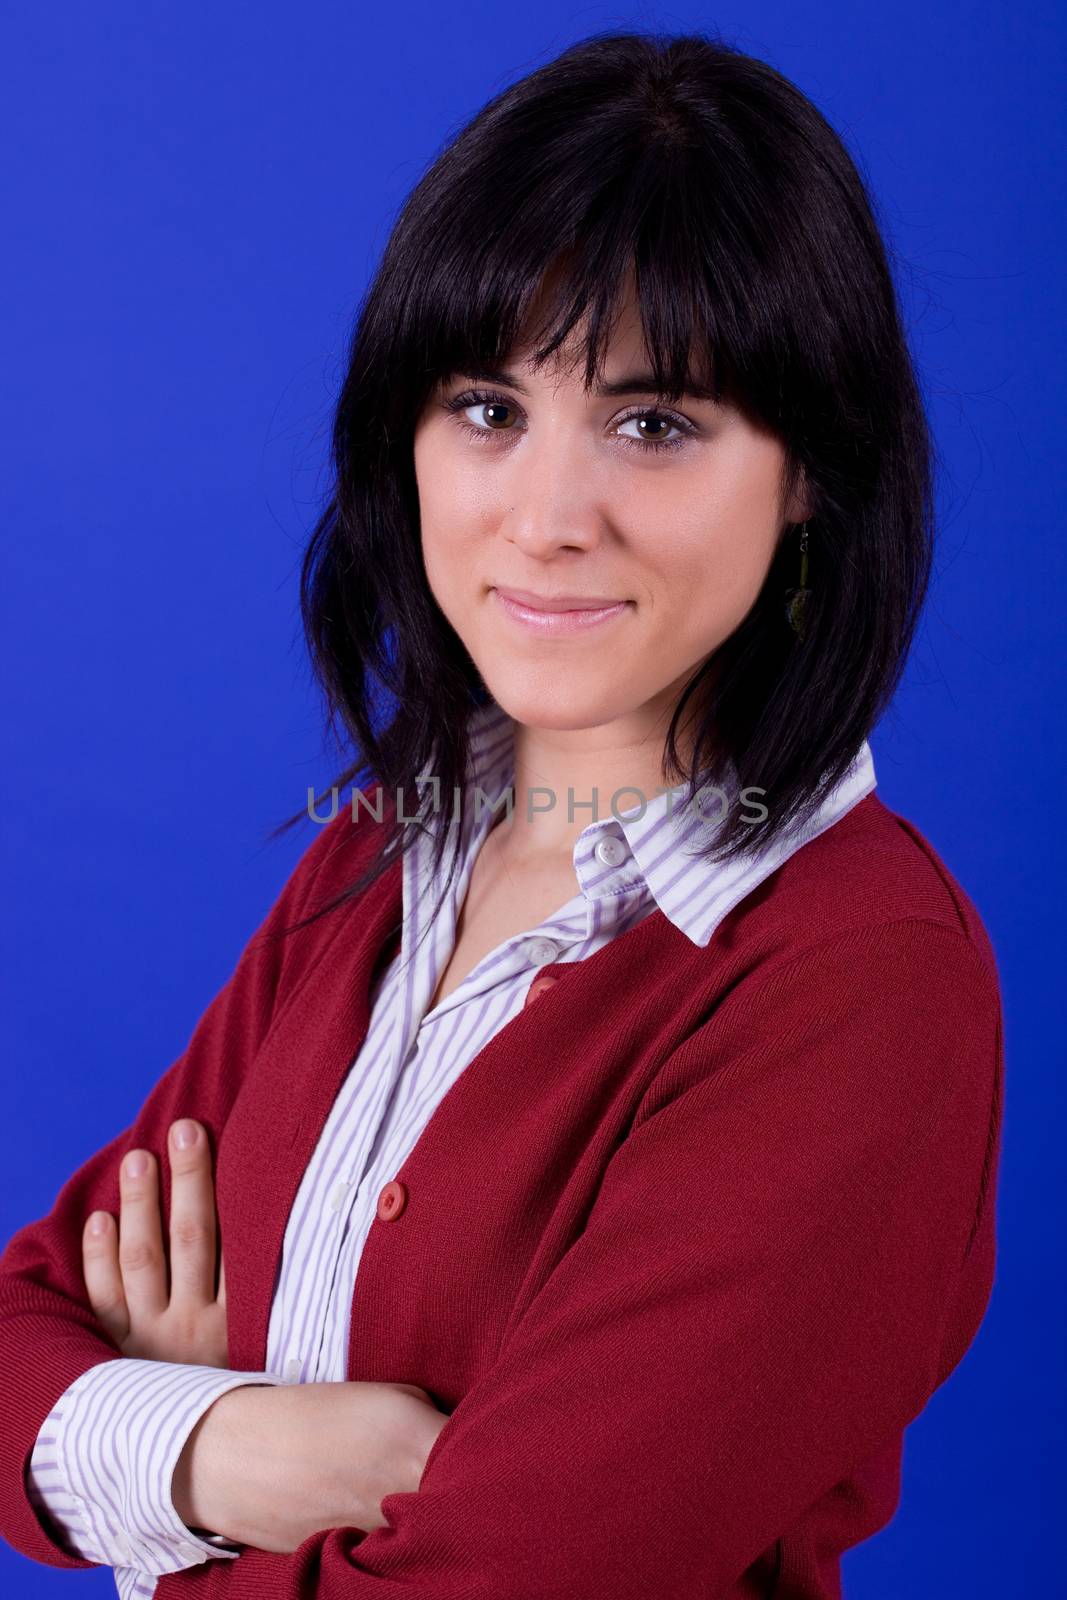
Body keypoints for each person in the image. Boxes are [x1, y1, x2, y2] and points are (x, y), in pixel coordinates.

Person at [0, 27, 1004, 1600]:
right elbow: (21, 1328)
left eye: (656, 423)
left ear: (810, 468)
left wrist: (143, 1505)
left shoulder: (859, 980)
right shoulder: (383, 849)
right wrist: (230, 1452)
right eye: (484, 407)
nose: (543, 520)